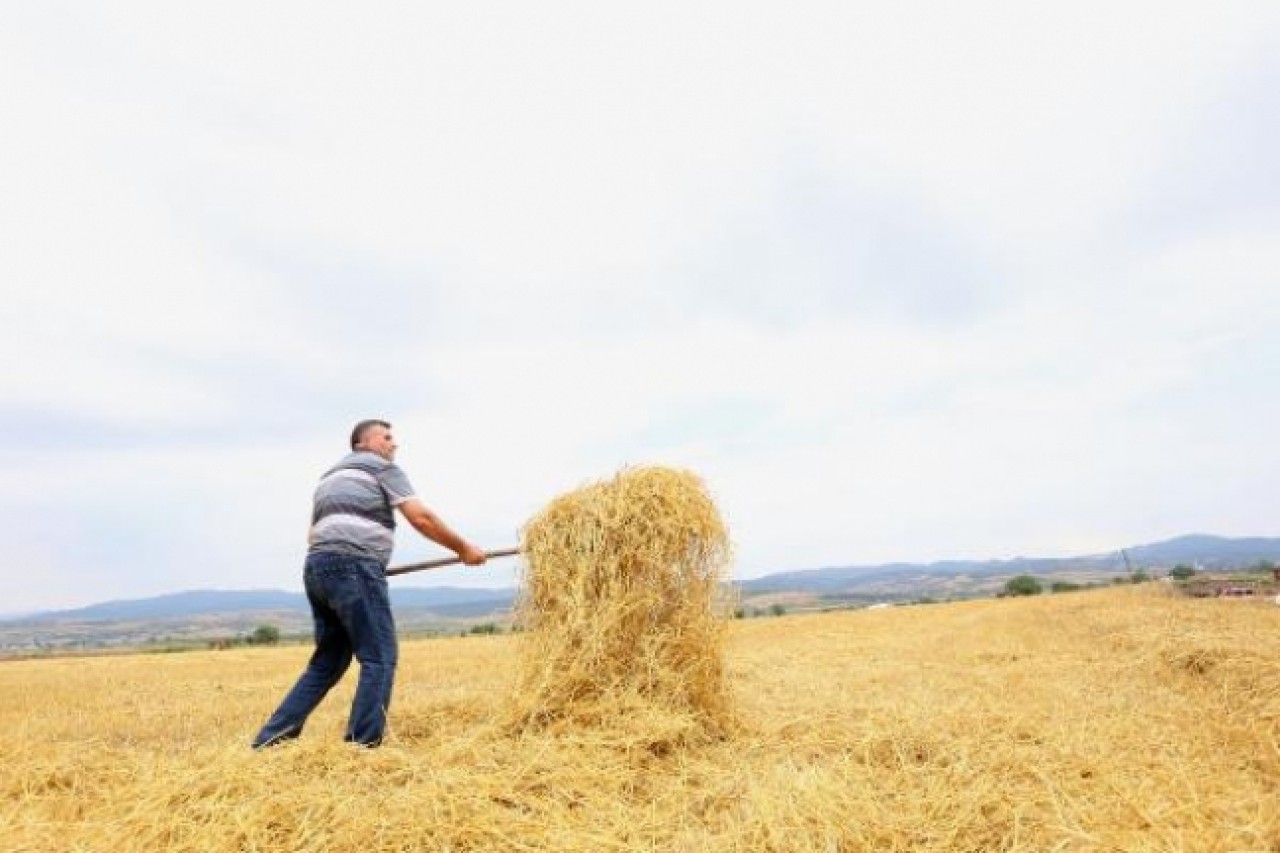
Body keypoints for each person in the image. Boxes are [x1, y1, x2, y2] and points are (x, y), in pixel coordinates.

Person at [252, 419, 487, 749]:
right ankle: (361, 748)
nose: (394, 444)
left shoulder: (329, 477)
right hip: (353, 567)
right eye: (387, 437)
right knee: (379, 657)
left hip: (318, 567)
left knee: (328, 663)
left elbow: (313, 534)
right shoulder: (380, 468)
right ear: (362, 444)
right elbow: (420, 517)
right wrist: (463, 549)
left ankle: (269, 742)